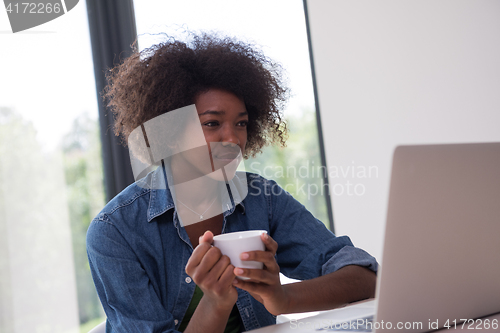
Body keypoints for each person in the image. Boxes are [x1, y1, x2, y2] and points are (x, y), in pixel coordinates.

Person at [87, 32, 378, 333]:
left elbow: (365, 276)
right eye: (212, 123)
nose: (233, 139)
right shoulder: (115, 231)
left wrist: (282, 298)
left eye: (241, 123)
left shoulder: (261, 198)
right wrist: (215, 301)